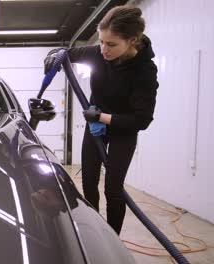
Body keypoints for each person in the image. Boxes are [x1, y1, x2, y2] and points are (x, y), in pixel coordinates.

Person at [44, 5, 159, 234]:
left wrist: (102, 117)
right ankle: (94, 232)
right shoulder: (99, 53)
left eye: (112, 44)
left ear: (132, 41)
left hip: (122, 131)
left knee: (113, 189)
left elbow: (142, 120)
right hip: (95, 125)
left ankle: (112, 240)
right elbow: (65, 52)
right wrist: (52, 56)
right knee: (88, 182)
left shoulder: (145, 71)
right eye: (102, 41)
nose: (103, 49)